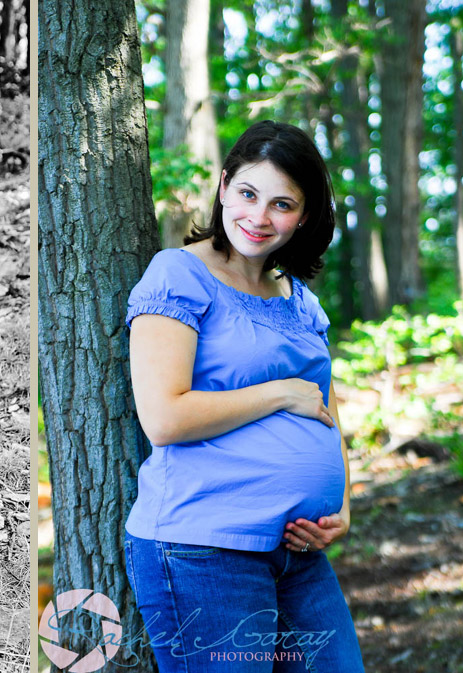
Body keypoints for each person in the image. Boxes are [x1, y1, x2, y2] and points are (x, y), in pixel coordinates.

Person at [124, 121, 364, 671]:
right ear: (225, 185)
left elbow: (325, 409)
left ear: (304, 215)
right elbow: (163, 416)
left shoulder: (299, 298)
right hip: (204, 551)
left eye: (282, 204)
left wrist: (341, 508)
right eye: (248, 194)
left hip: (298, 553)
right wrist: (278, 393)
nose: (259, 217)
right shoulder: (178, 275)